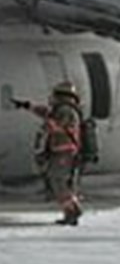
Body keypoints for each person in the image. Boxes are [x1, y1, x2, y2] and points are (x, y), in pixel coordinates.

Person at [13, 81, 83, 225]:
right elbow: (46, 113)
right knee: (59, 180)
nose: (52, 97)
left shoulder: (66, 111)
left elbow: (57, 125)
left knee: (57, 180)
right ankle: (72, 208)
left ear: (62, 95)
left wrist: (46, 127)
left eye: (55, 94)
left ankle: (71, 210)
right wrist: (28, 106)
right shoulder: (61, 109)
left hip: (64, 151)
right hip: (61, 150)